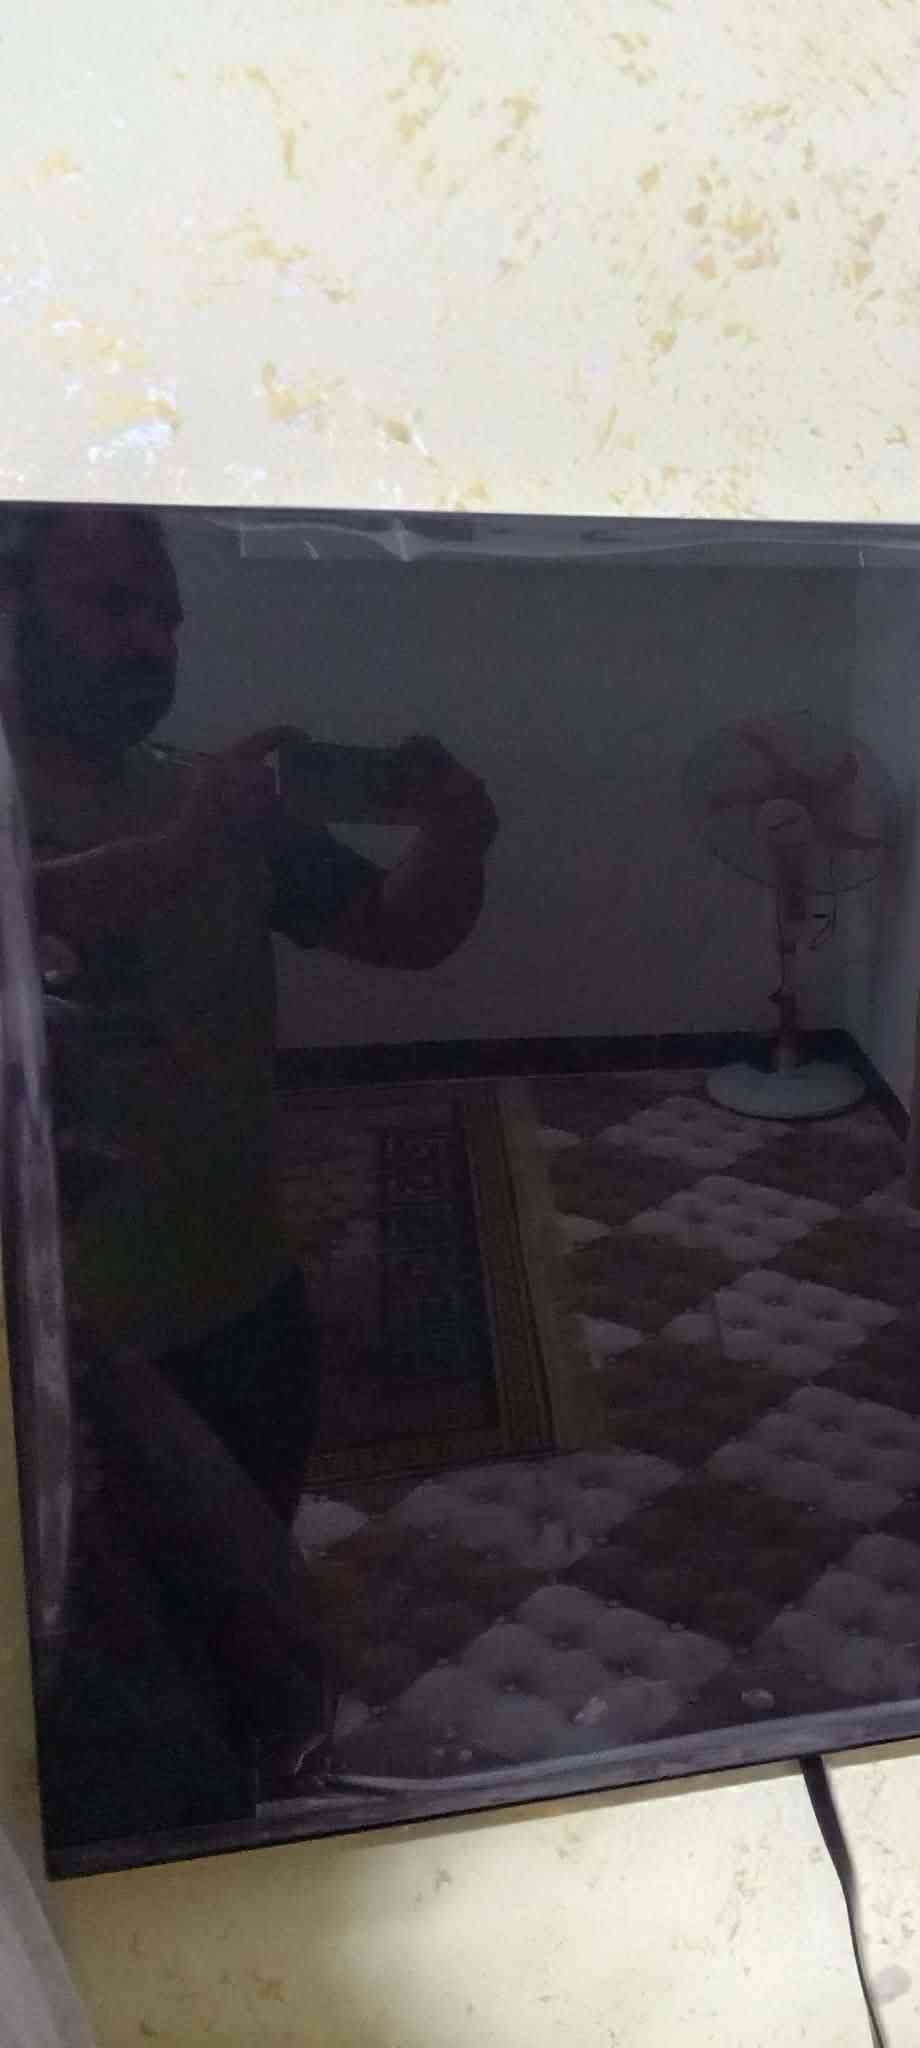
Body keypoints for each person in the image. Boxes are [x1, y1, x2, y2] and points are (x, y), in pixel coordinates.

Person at [0, 503, 498, 1844]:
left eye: (165, 612)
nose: (150, 639)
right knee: (88, 1688)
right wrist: (180, 849)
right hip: (56, 1350)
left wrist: (459, 830)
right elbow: (25, 911)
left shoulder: (210, 794)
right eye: (110, 603)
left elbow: (405, 933)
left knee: (243, 1620)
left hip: (243, 1297)